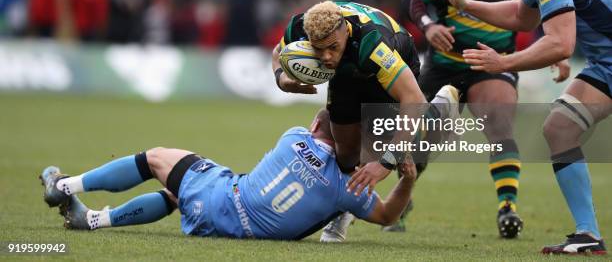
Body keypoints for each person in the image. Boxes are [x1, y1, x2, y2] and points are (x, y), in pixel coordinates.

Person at [430, 0, 611, 255]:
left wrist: (504, 62)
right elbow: (521, 17)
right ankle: (588, 234)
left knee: (560, 128)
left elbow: (561, 43)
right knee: (559, 128)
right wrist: (466, 4)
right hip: (607, 64)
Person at [396, 0, 570, 237]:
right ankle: (402, 197)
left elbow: (544, 10)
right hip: (444, 65)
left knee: (500, 126)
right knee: (420, 140)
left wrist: (556, 49)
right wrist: (430, 25)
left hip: (492, 62)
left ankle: (508, 208)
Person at [40, 110, 417, 240]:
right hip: (233, 227)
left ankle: (65, 186)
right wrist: (407, 179)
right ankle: (89, 218)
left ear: (315, 124)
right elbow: (388, 215)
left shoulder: (294, 136)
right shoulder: (347, 188)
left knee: (155, 159)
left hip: (224, 199)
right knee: (177, 196)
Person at [272, 0, 459, 241]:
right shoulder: (300, 27)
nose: (326, 57)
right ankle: (342, 211)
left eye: (332, 47)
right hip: (349, 69)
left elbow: (411, 98)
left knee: (387, 141)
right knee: (346, 151)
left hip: (394, 57)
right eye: (318, 50)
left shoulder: (373, 44)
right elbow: (278, 54)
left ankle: (439, 111)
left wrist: (386, 163)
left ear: (344, 31)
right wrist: (282, 80)